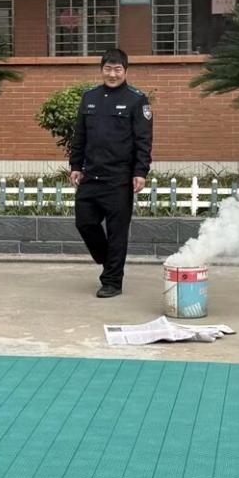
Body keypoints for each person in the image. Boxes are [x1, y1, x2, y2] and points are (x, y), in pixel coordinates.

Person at [69, 48, 152, 298]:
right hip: (91, 176)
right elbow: (80, 135)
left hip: (119, 179)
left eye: (117, 69)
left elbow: (143, 140)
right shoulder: (89, 97)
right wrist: (75, 165)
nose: (112, 74)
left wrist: (140, 171)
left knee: (117, 233)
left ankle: (112, 282)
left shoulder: (137, 100)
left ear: (125, 71)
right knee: (84, 222)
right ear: (101, 70)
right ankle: (108, 260)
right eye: (108, 68)